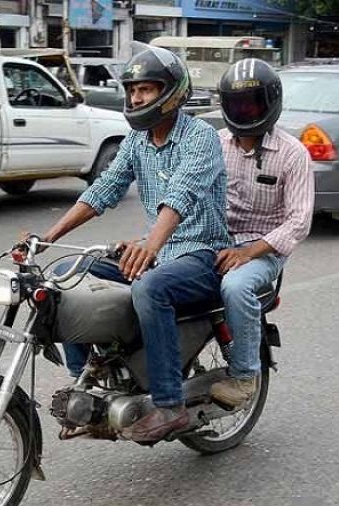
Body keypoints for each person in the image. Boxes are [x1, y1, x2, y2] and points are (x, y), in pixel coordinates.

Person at [32, 45, 230, 443]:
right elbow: (103, 190)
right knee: (63, 277)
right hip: (155, 248)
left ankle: (170, 404)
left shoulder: (201, 137)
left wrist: (151, 246)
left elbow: (181, 196)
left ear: (172, 93)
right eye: (133, 90)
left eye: (147, 89)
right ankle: (86, 385)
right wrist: (48, 238)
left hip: (201, 253)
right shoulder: (137, 141)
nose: (137, 98)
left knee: (150, 287)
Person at [209, 58, 314, 408]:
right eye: (235, 103)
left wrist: (248, 253)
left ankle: (244, 375)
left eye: (250, 103)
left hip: (263, 250)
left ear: (269, 103)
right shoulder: (215, 143)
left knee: (235, 286)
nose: (242, 111)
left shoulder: (293, 154)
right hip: (215, 240)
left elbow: (299, 222)